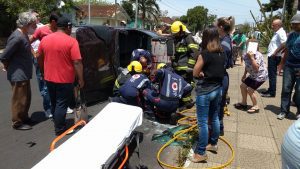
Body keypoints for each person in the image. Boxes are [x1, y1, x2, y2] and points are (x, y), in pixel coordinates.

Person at [37, 16, 84, 135]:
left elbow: (39, 57)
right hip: (65, 79)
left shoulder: (45, 39)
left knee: (54, 101)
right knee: (61, 104)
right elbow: (77, 62)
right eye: (71, 27)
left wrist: (42, 71)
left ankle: (56, 120)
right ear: (68, 27)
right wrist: (81, 79)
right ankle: (60, 129)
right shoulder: (71, 41)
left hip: (49, 77)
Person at [190, 27, 225, 162]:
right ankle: (213, 144)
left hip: (205, 91)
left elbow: (195, 73)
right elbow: (218, 70)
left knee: (203, 122)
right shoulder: (222, 53)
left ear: (205, 38)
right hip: (217, 89)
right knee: (215, 117)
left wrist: (201, 73)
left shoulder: (204, 54)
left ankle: (200, 153)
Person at [0, 11, 37, 130]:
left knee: (26, 97)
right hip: (18, 74)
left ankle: (24, 117)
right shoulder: (17, 37)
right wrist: (6, 66)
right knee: (19, 99)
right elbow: (4, 55)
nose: (34, 26)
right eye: (33, 24)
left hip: (24, 73)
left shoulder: (24, 34)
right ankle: (17, 122)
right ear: (27, 24)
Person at [30, 12, 59, 118]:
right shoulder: (42, 30)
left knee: (57, 84)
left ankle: (57, 106)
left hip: (55, 61)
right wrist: (34, 54)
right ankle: (48, 108)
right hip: (42, 61)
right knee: (45, 86)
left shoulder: (58, 30)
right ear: (52, 22)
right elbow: (27, 41)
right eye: (58, 23)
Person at [170, 21, 199, 109]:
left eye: (176, 33)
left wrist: (190, 67)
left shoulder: (188, 38)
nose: (175, 35)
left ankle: (186, 103)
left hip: (185, 69)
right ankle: (184, 102)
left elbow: (194, 53)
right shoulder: (178, 38)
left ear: (181, 30)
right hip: (178, 68)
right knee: (179, 85)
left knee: (185, 85)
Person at [277, 14, 300, 120]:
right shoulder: (291, 35)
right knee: (286, 89)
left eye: (296, 24)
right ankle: (284, 111)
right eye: (293, 24)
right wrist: (281, 64)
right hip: (289, 66)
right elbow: (286, 50)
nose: (294, 26)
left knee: (299, 90)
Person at [234, 44, 268, 113]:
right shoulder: (245, 55)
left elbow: (256, 69)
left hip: (260, 75)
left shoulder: (258, 55)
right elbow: (247, 66)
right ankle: (244, 103)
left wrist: (252, 58)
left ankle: (256, 106)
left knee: (250, 89)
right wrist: (244, 75)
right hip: (253, 75)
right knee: (243, 86)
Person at [216, 16, 235, 136]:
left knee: (217, 106)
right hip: (223, 77)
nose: (215, 28)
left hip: (220, 77)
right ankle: (220, 129)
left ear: (221, 27)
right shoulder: (226, 39)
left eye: (216, 26)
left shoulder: (224, 44)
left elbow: (219, 65)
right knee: (220, 105)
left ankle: (215, 135)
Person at [261, 19, 287, 98]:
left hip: (274, 56)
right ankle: (270, 89)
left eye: (273, 25)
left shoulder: (281, 32)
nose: (272, 27)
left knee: (272, 75)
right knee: (271, 74)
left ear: (278, 25)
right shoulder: (277, 33)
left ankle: (272, 92)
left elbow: (284, 43)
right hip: (273, 56)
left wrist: (275, 52)